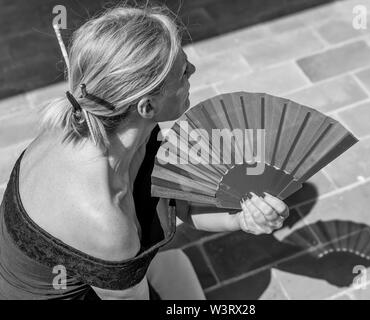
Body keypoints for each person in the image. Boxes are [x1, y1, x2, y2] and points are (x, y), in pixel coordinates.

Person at [0, 5, 289, 300]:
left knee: (174, 265)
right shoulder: (105, 221)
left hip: (100, 273)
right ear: (147, 106)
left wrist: (239, 220)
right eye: (181, 72)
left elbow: (178, 201)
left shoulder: (109, 124)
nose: (193, 70)